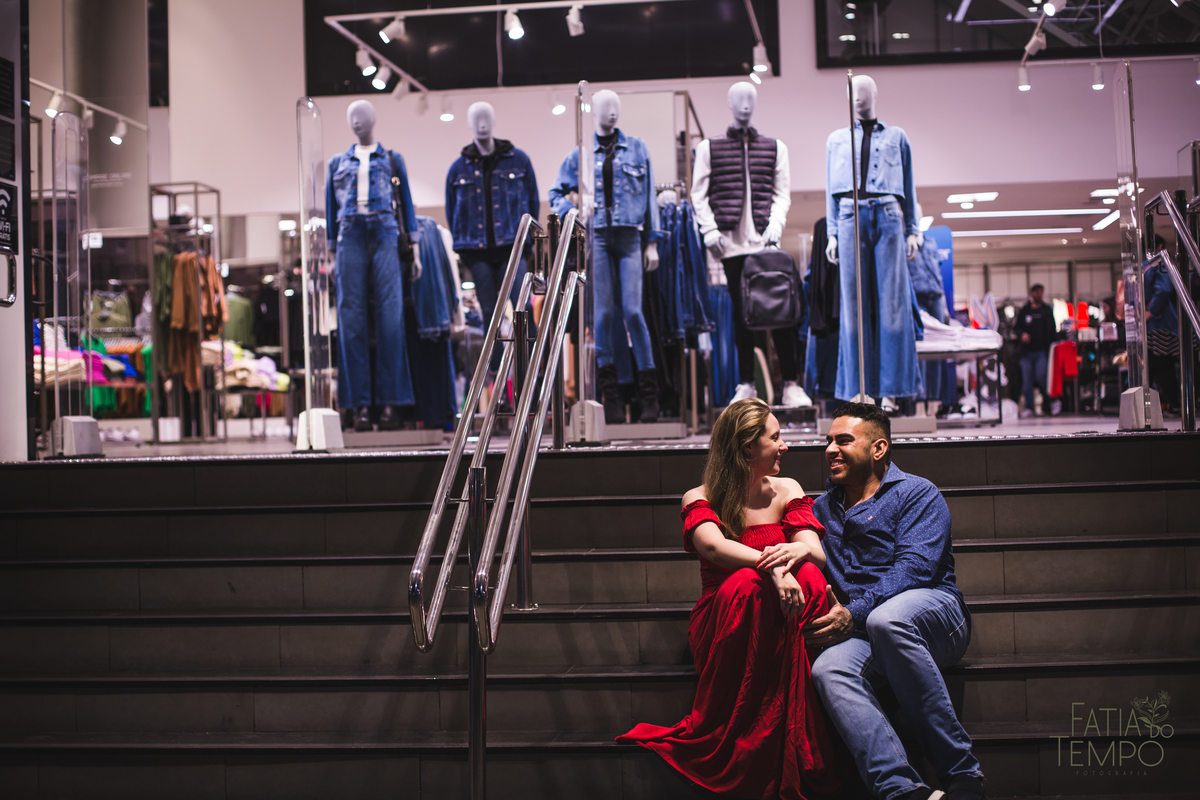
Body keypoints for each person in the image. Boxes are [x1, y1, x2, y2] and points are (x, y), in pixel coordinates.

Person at [618, 398, 844, 799]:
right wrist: (773, 566)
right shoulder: (699, 496)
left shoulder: (787, 488)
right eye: (776, 438)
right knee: (746, 582)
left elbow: (817, 551)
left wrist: (796, 555)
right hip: (729, 619)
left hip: (783, 615)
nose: (785, 446)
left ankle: (795, 725)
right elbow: (715, 548)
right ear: (747, 449)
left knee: (807, 572)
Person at [807, 403, 985, 800]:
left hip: (933, 615)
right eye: (828, 441)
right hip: (864, 629)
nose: (831, 449)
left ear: (879, 448)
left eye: (844, 440)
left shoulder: (916, 493)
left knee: (886, 620)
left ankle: (963, 776)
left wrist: (852, 613)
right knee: (828, 669)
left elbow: (915, 570)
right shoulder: (819, 510)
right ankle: (902, 791)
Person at [1013, 283, 1056, 417]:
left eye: (1041, 292)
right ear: (1032, 294)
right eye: (1036, 292)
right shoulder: (1025, 310)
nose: (1039, 295)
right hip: (1026, 352)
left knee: (1041, 376)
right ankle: (1029, 408)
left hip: (1042, 351)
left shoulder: (1047, 310)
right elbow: (1016, 328)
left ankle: (1048, 405)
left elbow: (1052, 330)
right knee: (1027, 381)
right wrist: (1022, 335)